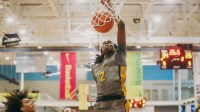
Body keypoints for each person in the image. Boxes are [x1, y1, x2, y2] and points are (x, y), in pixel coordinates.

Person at [91, 17, 129, 111]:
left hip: (117, 102)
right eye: (104, 43)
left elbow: (122, 26)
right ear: (101, 51)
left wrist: (112, 11)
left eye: (110, 43)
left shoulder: (118, 56)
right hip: (100, 103)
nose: (107, 43)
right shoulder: (94, 68)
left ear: (116, 49)